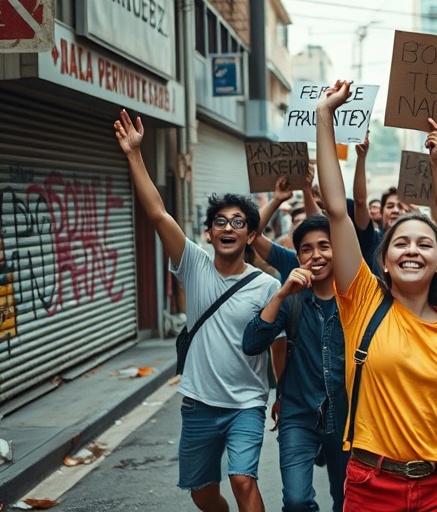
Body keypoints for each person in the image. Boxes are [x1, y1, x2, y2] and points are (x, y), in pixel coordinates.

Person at [315, 81, 437, 512]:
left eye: (423, 245)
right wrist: (324, 118)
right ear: (383, 261)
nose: (412, 250)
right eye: (401, 243)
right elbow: (338, 210)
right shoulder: (361, 301)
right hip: (370, 483)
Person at [114, 109, 280, 512]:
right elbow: (157, 212)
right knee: (202, 493)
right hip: (198, 405)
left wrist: (284, 394)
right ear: (209, 233)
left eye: (238, 222)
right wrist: (135, 154)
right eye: (219, 222)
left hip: (246, 405)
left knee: (243, 480)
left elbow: (278, 346)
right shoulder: (194, 264)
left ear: (251, 235)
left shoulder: (267, 285)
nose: (227, 228)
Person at [243, 214, 350, 512]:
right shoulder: (291, 299)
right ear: (298, 256)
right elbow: (251, 344)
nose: (316, 255)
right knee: (296, 501)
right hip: (298, 415)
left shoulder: (357, 300)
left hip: (347, 419)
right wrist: (281, 293)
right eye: (306, 249)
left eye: (324, 246)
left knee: (347, 500)